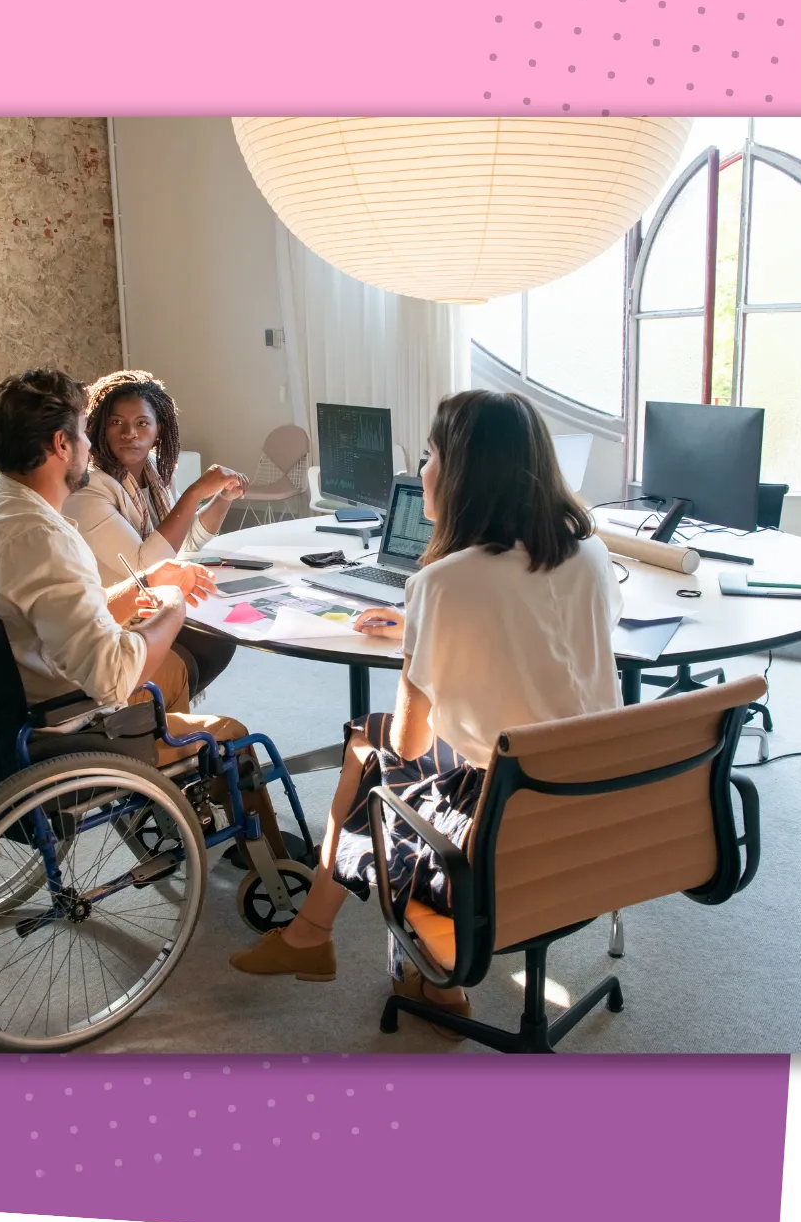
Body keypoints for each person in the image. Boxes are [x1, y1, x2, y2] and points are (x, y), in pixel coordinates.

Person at [228, 390, 625, 1039]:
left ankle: (341, 941)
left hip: (501, 811)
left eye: (431, 455)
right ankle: (341, 944)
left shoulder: (444, 584)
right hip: (589, 794)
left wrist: (423, 635)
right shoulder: (591, 554)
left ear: (464, 473)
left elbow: (412, 740)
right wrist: (424, 634)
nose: (421, 472)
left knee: (372, 747)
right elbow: (552, 654)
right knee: (374, 746)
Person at [0, 368, 288, 856]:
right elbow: (111, 677)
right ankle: (272, 870)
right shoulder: (47, 537)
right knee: (229, 731)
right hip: (64, 727)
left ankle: (182, 806)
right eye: (87, 432)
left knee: (181, 659)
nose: (91, 444)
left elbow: (51, 614)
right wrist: (169, 605)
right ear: (63, 444)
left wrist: (146, 583)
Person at [64, 369, 248, 706]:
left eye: (141, 424)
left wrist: (222, 499)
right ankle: (147, 715)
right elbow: (146, 565)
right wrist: (194, 493)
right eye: (116, 423)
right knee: (205, 642)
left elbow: (184, 544)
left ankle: (160, 714)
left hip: (148, 604)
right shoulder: (89, 487)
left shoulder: (154, 471)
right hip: (113, 619)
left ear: (159, 428)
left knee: (220, 635)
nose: (129, 434)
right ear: (99, 426)